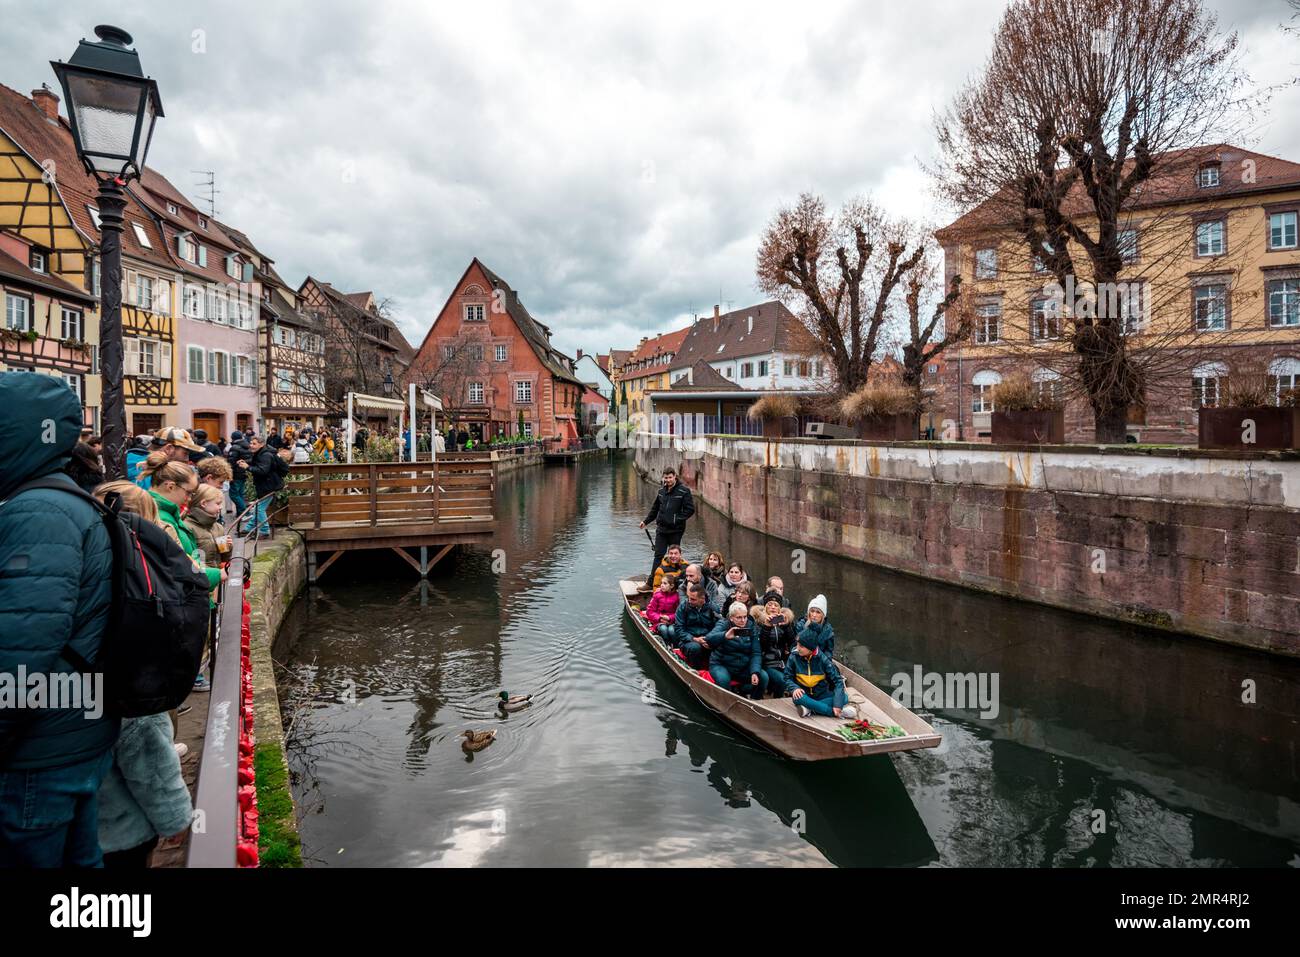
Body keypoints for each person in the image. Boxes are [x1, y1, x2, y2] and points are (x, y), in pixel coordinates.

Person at [0, 371, 118, 868]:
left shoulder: (36, 512)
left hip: (38, 749)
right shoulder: (63, 500)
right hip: (73, 729)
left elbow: (23, 645)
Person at [783, 625, 855, 720]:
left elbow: (838, 682)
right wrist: (794, 688)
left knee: (844, 698)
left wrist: (837, 704)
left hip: (821, 695)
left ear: (811, 648)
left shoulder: (823, 659)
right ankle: (833, 713)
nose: (798, 648)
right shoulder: (794, 657)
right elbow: (787, 677)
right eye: (797, 644)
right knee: (797, 698)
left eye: (801, 646)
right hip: (804, 695)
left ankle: (809, 709)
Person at [639, 467, 695, 586]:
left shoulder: (683, 491)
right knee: (658, 555)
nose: (668, 480)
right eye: (666, 478)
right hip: (662, 529)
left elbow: (690, 510)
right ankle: (651, 582)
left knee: (674, 556)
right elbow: (655, 509)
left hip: (676, 530)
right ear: (663, 477)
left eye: (670, 477)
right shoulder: (661, 492)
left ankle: (675, 582)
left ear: (675, 476)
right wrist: (646, 521)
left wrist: (676, 519)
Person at [704, 602, 763, 699]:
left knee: (763, 676)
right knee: (723, 679)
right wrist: (725, 635)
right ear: (731, 617)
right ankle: (725, 703)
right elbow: (709, 639)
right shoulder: (723, 624)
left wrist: (754, 672)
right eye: (739, 617)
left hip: (742, 667)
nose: (743, 620)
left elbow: (755, 653)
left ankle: (754, 700)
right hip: (721, 664)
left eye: (745, 617)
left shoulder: (751, 627)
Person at [243, 434, 291, 537]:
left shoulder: (265, 455)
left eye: (254, 444)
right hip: (266, 485)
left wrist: (248, 467)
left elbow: (263, 470)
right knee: (258, 507)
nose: (251, 445)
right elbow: (256, 462)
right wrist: (246, 462)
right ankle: (249, 527)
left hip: (269, 486)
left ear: (261, 445)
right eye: (251, 443)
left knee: (259, 508)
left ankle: (265, 531)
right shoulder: (261, 453)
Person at [753, 591, 797, 698]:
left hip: (782, 661)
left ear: (780, 608)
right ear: (765, 607)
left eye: (776, 605)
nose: (773, 607)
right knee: (782, 680)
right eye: (769, 605)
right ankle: (776, 700)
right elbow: (761, 645)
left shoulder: (784, 622)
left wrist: (786, 626)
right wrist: (767, 627)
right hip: (767, 662)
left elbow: (793, 642)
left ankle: (779, 696)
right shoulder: (759, 622)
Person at [671, 581, 719, 665]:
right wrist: (694, 639)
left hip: (707, 638)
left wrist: (709, 638)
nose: (689, 601)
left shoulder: (713, 608)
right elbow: (678, 629)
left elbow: (718, 627)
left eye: (693, 599)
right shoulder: (683, 607)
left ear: (702, 599)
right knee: (695, 647)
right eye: (689, 597)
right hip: (688, 640)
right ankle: (696, 669)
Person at [183, 484, 229, 569]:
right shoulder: (187, 528)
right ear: (204, 503)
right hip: (202, 577)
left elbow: (224, 558)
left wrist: (228, 547)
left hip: (217, 577)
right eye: (218, 503)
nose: (221, 507)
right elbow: (190, 562)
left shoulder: (218, 527)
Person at [642, 574, 681, 644]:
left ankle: (676, 646)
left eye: (665, 583)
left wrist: (669, 618)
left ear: (672, 586)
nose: (662, 585)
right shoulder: (657, 595)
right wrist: (659, 618)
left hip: (671, 621)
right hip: (658, 621)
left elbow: (679, 613)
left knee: (672, 631)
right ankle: (666, 644)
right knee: (664, 629)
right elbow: (650, 611)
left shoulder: (677, 597)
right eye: (661, 583)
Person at [794, 594, 836, 660]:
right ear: (809, 612)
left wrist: (824, 662)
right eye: (812, 611)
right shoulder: (801, 625)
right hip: (802, 660)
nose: (814, 615)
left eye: (818, 612)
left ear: (823, 615)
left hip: (820, 661)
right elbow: (795, 646)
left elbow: (828, 651)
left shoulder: (828, 630)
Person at [226, 430, 252, 519]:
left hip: (236, 474)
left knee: (233, 494)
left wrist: (229, 475)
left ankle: (245, 513)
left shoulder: (235, 448)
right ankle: (240, 514)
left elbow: (231, 463)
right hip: (244, 472)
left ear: (232, 438)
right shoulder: (247, 446)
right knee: (240, 493)